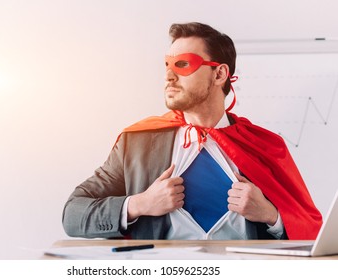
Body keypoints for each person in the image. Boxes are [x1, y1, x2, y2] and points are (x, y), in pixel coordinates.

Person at [62, 22, 322, 240]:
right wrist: (141, 204)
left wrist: (271, 216)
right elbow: (72, 214)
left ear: (219, 74)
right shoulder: (136, 144)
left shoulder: (265, 146)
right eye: (167, 64)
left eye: (183, 64)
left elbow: (313, 231)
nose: (169, 76)